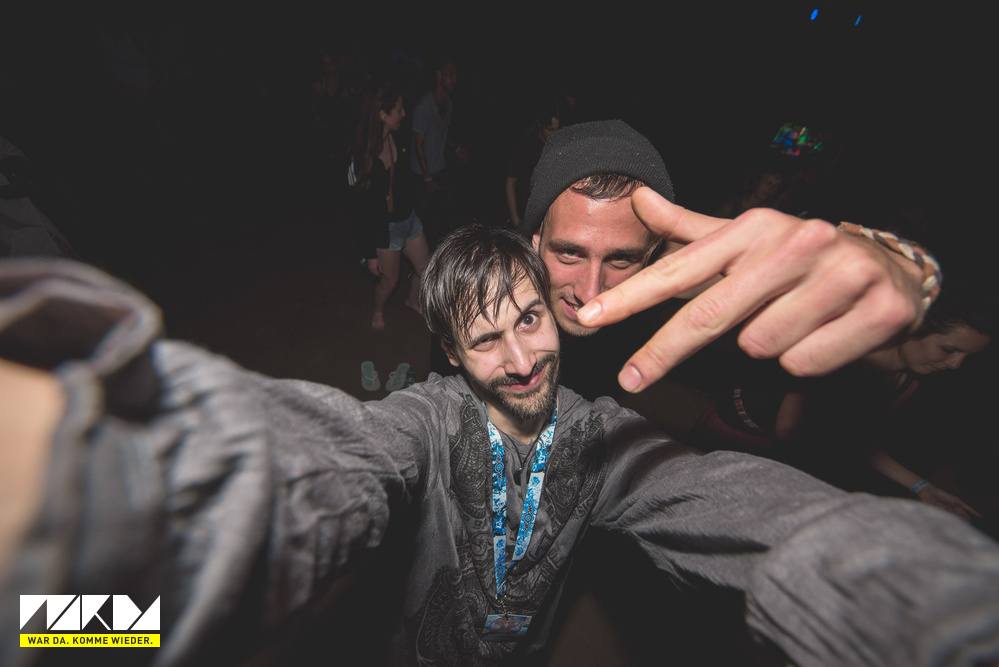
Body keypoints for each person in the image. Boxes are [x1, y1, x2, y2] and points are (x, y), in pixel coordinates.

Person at [3, 230, 999, 666]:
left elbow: (777, 526)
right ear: (448, 351)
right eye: (485, 338)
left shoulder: (602, 437)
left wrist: (945, 624)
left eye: (530, 319)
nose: (522, 359)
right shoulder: (423, 423)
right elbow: (300, 482)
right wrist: (84, 525)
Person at [350, 82, 430, 331]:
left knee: (425, 268)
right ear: (382, 115)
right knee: (390, 281)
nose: (403, 114)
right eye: (398, 110)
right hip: (387, 230)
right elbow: (360, 211)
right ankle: (377, 309)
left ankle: (413, 300)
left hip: (409, 218)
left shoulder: (398, 137)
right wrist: (369, 254)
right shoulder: (363, 157)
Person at [504, 102, 560, 230]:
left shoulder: (557, 146)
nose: (554, 134)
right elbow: (510, 182)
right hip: (525, 212)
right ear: (540, 127)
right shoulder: (525, 147)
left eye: (557, 129)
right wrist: (515, 219)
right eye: (550, 129)